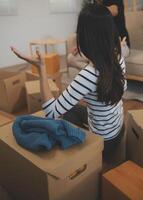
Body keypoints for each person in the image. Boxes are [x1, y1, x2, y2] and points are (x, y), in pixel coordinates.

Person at [11, 2, 126, 159]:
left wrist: (41, 68)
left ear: (85, 37)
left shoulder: (87, 75)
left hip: (103, 144)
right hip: (118, 131)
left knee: (62, 114)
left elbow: (51, 112)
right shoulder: (117, 57)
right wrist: (79, 58)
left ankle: (81, 151)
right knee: (71, 109)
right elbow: (98, 75)